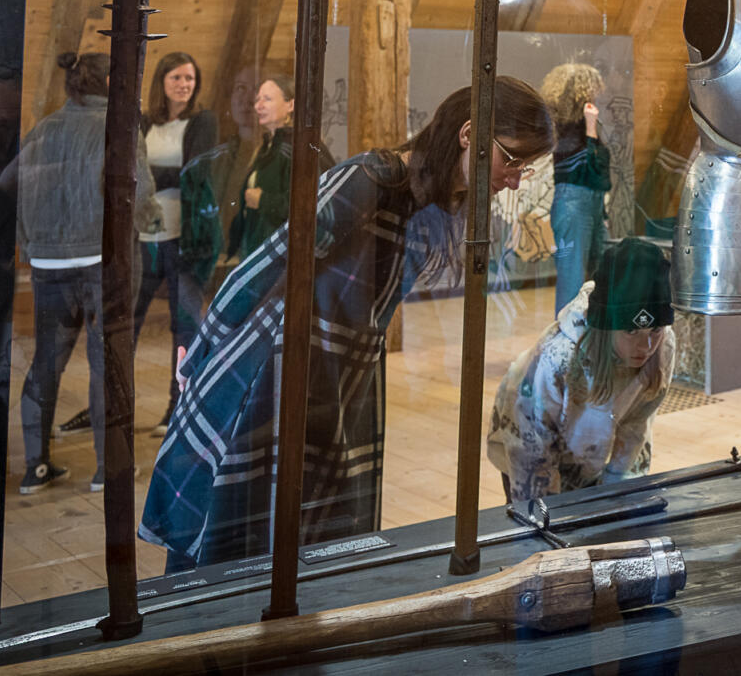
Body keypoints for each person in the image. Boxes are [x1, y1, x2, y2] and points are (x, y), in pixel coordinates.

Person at [141, 77, 554, 570]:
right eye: (513, 160)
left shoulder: (441, 202)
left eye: (526, 168)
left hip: (343, 381)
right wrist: (205, 346)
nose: (515, 178)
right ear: (469, 135)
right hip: (278, 369)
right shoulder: (372, 177)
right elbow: (270, 264)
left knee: (316, 544)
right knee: (238, 541)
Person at [16, 51, 154, 494]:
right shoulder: (119, 127)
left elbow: (16, 198)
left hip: (47, 263)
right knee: (106, 363)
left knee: (45, 364)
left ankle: (35, 468)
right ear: (112, 80)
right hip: (103, 263)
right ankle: (107, 469)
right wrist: (152, 225)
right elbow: (139, 194)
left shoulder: (41, 130)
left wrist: (34, 248)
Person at [487, 237, 676, 504]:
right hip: (527, 442)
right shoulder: (558, 357)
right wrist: (544, 517)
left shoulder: (663, 346)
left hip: (590, 449)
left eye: (654, 330)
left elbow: (636, 427)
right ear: (606, 328)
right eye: (631, 331)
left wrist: (616, 496)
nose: (645, 346)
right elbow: (531, 452)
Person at [136, 52, 218, 435]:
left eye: (190, 78)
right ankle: (111, 405)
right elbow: (126, 170)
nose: (184, 84)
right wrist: (160, 177)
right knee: (125, 324)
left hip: (183, 240)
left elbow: (194, 172)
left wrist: (149, 176)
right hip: (142, 239)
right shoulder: (144, 121)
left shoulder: (202, 121)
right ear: (161, 81)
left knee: (185, 327)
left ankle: (179, 406)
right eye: (177, 78)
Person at [540, 63, 612, 313]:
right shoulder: (567, 131)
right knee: (572, 279)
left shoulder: (574, 129)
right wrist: (592, 128)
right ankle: (566, 340)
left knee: (597, 276)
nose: (596, 95)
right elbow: (591, 167)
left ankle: (589, 337)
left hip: (589, 205)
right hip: (574, 205)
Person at [226, 75, 299, 262]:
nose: (258, 106)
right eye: (258, 99)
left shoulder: (295, 148)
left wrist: (263, 200)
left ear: (290, 105)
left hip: (281, 256)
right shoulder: (268, 146)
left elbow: (308, 204)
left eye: (267, 99)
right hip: (259, 251)